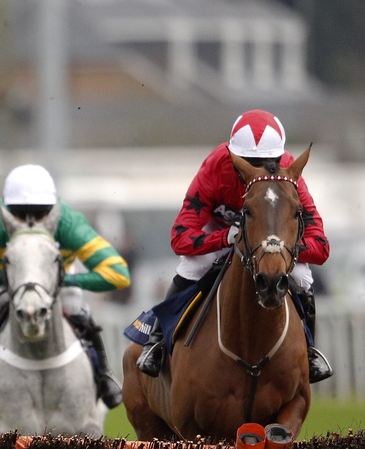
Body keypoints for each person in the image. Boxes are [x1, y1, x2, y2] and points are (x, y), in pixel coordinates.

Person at [135, 109, 334, 383]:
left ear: (279, 158)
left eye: (267, 162)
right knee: (194, 265)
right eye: (249, 162)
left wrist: (288, 249)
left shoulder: (291, 174)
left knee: (301, 276)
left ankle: (310, 352)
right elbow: (180, 237)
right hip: (223, 233)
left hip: (274, 241)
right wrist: (224, 238)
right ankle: (155, 342)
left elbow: (321, 247)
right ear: (233, 157)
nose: (258, 170)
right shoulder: (214, 169)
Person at [0, 164, 132, 411]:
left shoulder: (68, 222)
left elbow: (118, 274)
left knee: (77, 308)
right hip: (6, 280)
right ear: (6, 210)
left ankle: (104, 375)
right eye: (20, 214)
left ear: (53, 208)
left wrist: (64, 281)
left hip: (54, 280)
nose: (31, 222)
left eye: (40, 212)